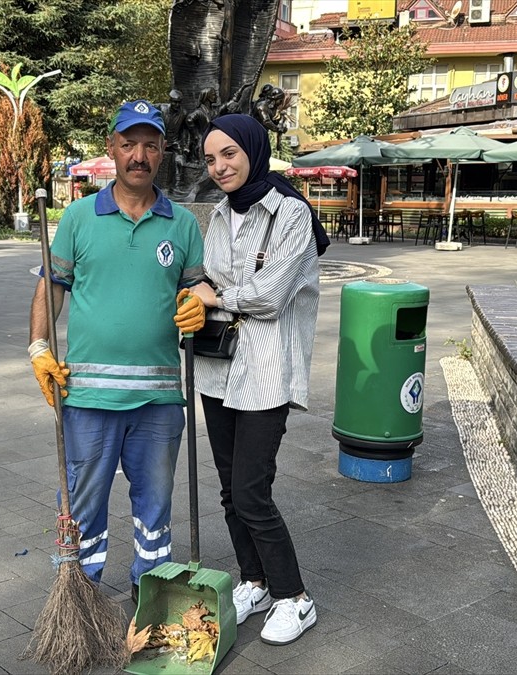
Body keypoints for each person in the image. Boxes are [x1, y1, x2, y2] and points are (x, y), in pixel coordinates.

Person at [28, 100, 206, 599]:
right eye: (129, 144)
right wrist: (39, 347)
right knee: (83, 508)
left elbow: (197, 291)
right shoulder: (81, 217)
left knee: (156, 509)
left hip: (160, 400)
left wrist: (199, 305)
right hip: (87, 399)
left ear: (163, 152)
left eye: (150, 145)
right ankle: (79, 602)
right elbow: (51, 287)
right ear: (111, 149)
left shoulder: (183, 224)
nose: (139, 156)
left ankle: (152, 600)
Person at [187, 114, 323, 645]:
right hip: (219, 368)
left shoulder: (291, 212)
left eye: (229, 154)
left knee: (251, 491)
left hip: (267, 370)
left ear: (252, 150)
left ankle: (295, 597)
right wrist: (200, 288)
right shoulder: (220, 215)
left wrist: (216, 295)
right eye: (211, 158)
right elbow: (211, 276)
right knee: (228, 489)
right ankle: (255, 581)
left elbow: (271, 294)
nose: (219, 167)